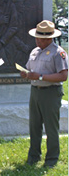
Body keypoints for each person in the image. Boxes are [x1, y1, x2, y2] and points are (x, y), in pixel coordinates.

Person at [20, 20, 68, 168]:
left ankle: (51, 159)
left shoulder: (58, 52)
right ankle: (33, 157)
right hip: (35, 92)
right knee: (34, 126)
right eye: (36, 37)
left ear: (49, 38)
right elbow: (31, 70)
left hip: (50, 93)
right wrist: (26, 74)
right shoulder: (34, 51)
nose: (37, 40)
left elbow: (63, 76)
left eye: (40, 38)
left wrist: (40, 76)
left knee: (51, 127)